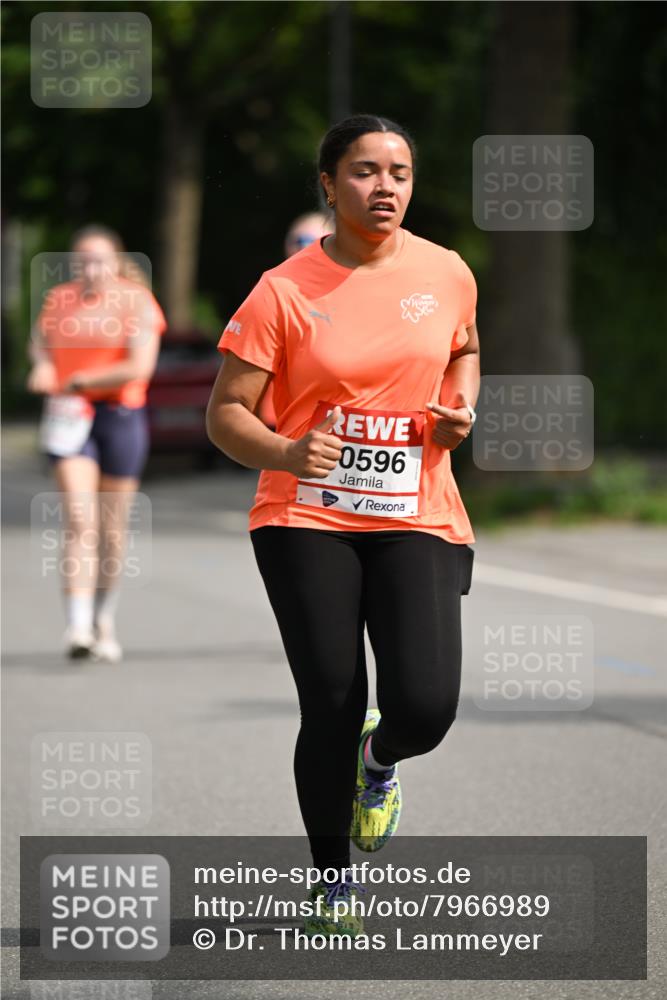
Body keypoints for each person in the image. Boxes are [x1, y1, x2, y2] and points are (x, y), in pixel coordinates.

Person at [206, 114, 479, 938]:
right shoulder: (282, 291)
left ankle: (380, 760)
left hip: (417, 511)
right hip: (303, 513)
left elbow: (462, 349)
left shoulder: (448, 271)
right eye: (364, 171)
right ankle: (331, 884)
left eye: (398, 171)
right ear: (328, 185)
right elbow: (225, 414)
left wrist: (461, 409)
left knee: (425, 706)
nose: (385, 186)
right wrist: (288, 448)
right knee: (329, 698)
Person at [27, 225, 166, 662]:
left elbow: (139, 368)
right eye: (82, 260)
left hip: (119, 416)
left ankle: (104, 618)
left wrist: (84, 379)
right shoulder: (60, 300)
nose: (90, 268)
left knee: (111, 529)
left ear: (116, 261)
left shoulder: (136, 301)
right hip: (70, 418)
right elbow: (40, 343)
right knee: (79, 520)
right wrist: (43, 367)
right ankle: (78, 625)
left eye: (99, 259)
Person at [258, 212, 331, 429]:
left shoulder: (352, 293)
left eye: (313, 242)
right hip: (275, 421)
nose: (303, 248)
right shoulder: (271, 290)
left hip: (330, 421)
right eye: (299, 241)